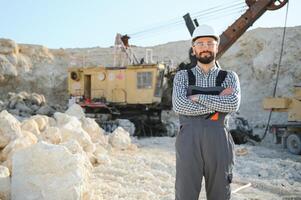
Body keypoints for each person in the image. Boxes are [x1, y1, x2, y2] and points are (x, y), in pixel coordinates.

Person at [172, 24, 241, 200]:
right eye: (200, 43)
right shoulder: (182, 76)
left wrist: (197, 97)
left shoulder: (229, 76)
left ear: (217, 47)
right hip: (189, 139)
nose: (205, 47)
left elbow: (232, 104)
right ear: (194, 49)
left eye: (210, 43)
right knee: (185, 192)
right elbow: (180, 105)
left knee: (220, 193)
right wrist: (218, 102)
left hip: (218, 139)